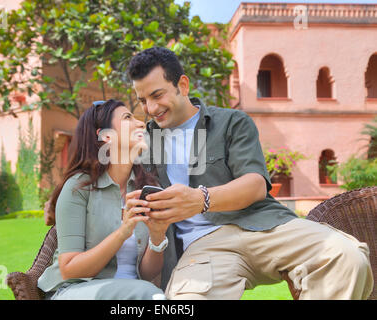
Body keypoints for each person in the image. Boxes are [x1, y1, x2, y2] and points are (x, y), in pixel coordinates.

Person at [123, 46, 373, 300]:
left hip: (264, 226)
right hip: (204, 246)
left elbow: (255, 185)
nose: (151, 108)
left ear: (183, 85)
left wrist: (200, 200)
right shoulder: (145, 143)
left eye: (157, 95)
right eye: (143, 101)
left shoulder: (232, 122)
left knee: (347, 257)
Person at [37, 99, 168, 300]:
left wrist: (157, 237)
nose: (141, 123)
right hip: (74, 291)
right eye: (127, 117)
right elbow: (70, 269)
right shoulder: (79, 187)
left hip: (133, 292)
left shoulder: (146, 189)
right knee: (152, 296)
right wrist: (123, 231)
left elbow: (148, 273)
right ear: (106, 136)